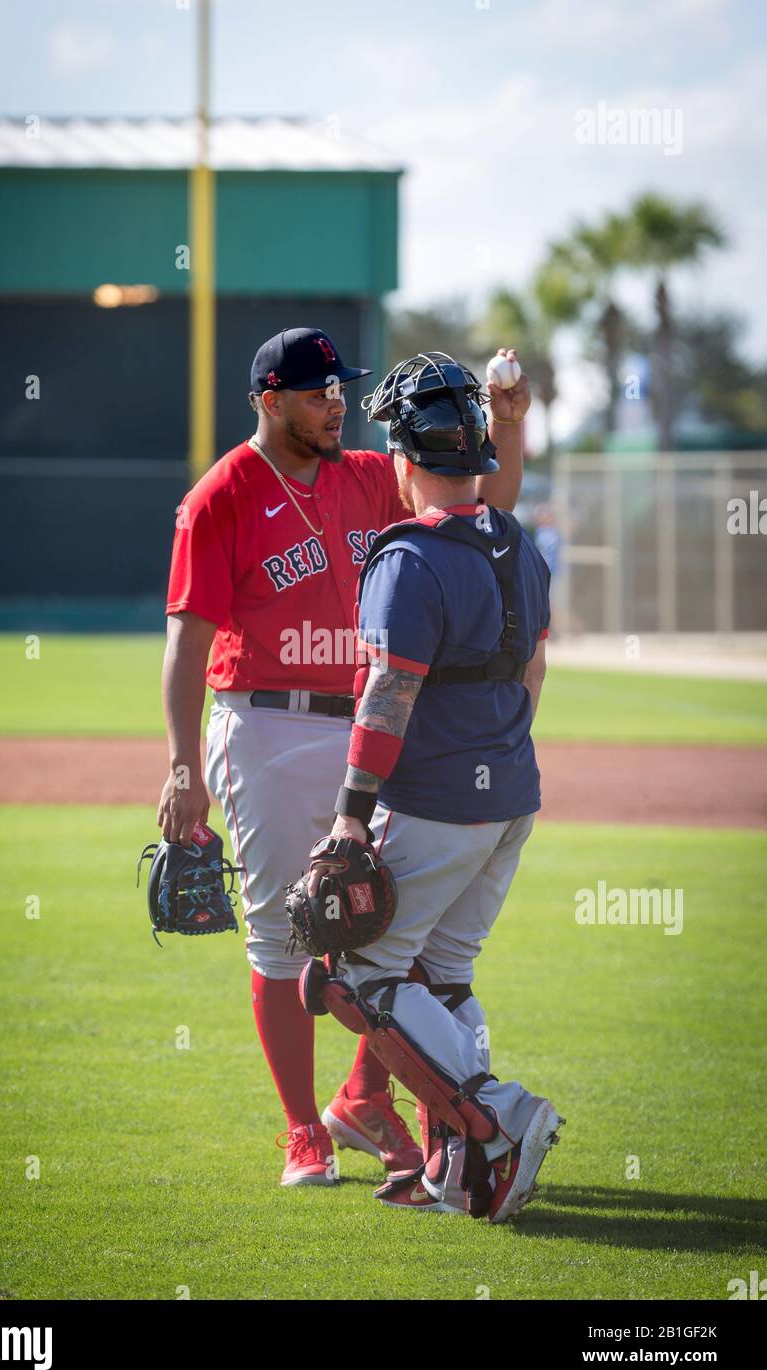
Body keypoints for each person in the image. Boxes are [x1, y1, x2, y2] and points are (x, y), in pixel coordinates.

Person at [158, 327, 529, 1187]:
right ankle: (303, 1132)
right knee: (286, 939)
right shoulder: (221, 496)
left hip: (370, 725)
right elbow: (187, 640)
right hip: (267, 725)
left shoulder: (368, 475)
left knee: (395, 925)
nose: (336, 404)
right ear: (268, 398)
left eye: (339, 390)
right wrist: (182, 768)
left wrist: (505, 427)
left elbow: (481, 505)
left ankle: (365, 1102)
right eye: (319, 391)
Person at [300, 352, 563, 1220]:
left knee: (362, 980)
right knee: (444, 973)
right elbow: (530, 668)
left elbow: (389, 694)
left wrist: (348, 820)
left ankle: (494, 1119)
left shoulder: (407, 557)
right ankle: (460, 1159)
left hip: (441, 801)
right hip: (511, 797)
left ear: (405, 460)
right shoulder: (516, 542)